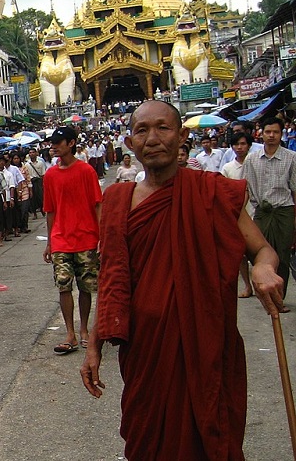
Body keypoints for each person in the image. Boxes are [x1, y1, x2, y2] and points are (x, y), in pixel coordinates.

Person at [81, 100, 284, 460]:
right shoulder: (117, 201)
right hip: (146, 349)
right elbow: (112, 277)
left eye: (164, 128)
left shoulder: (211, 192)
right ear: (129, 143)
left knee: (208, 435)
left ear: (182, 136)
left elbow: (262, 250)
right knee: (150, 442)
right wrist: (94, 346)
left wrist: (263, 269)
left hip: (205, 341)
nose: (153, 138)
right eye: (142, 130)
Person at [42, 126, 102, 355]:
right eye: (52, 143)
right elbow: (50, 211)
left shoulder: (86, 171)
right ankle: (70, 333)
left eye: (58, 142)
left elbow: (98, 203)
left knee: (86, 286)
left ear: (71, 143)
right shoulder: (50, 175)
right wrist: (49, 242)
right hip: (60, 239)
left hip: (86, 237)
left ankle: (85, 330)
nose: (54, 146)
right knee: (63, 285)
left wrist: (101, 236)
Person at [243, 115, 296, 307]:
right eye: (268, 132)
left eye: (275, 132)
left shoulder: (291, 158)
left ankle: (279, 299)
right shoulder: (251, 159)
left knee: (282, 256)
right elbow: (246, 188)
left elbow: (294, 190)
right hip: (261, 213)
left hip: (284, 211)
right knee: (259, 255)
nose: (271, 135)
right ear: (261, 134)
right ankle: (266, 296)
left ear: (282, 134)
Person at [221, 131, 256, 298]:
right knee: (240, 253)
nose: (239, 147)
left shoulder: (256, 163)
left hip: (256, 211)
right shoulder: (227, 168)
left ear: (249, 145)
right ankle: (248, 286)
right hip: (237, 214)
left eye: (243, 144)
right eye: (236, 144)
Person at [25, 148, 48, 219]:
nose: (31, 154)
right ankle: (34, 213)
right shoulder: (27, 164)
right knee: (33, 198)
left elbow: (43, 174)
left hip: (39, 181)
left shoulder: (40, 163)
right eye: (30, 153)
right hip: (31, 181)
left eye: (33, 152)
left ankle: (42, 209)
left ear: (36, 153)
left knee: (40, 196)